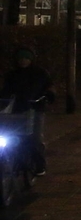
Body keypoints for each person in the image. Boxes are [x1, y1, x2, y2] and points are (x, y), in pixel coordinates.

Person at [0, 47, 56, 175]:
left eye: (26, 58)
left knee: (35, 137)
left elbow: (50, 86)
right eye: (21, 58)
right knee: (10, 134)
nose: (23, 61)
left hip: (35, 108)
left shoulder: (40, 73)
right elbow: (6, 91)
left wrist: (48, 95)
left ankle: (40, 164)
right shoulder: (12, 75)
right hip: (18, 109)